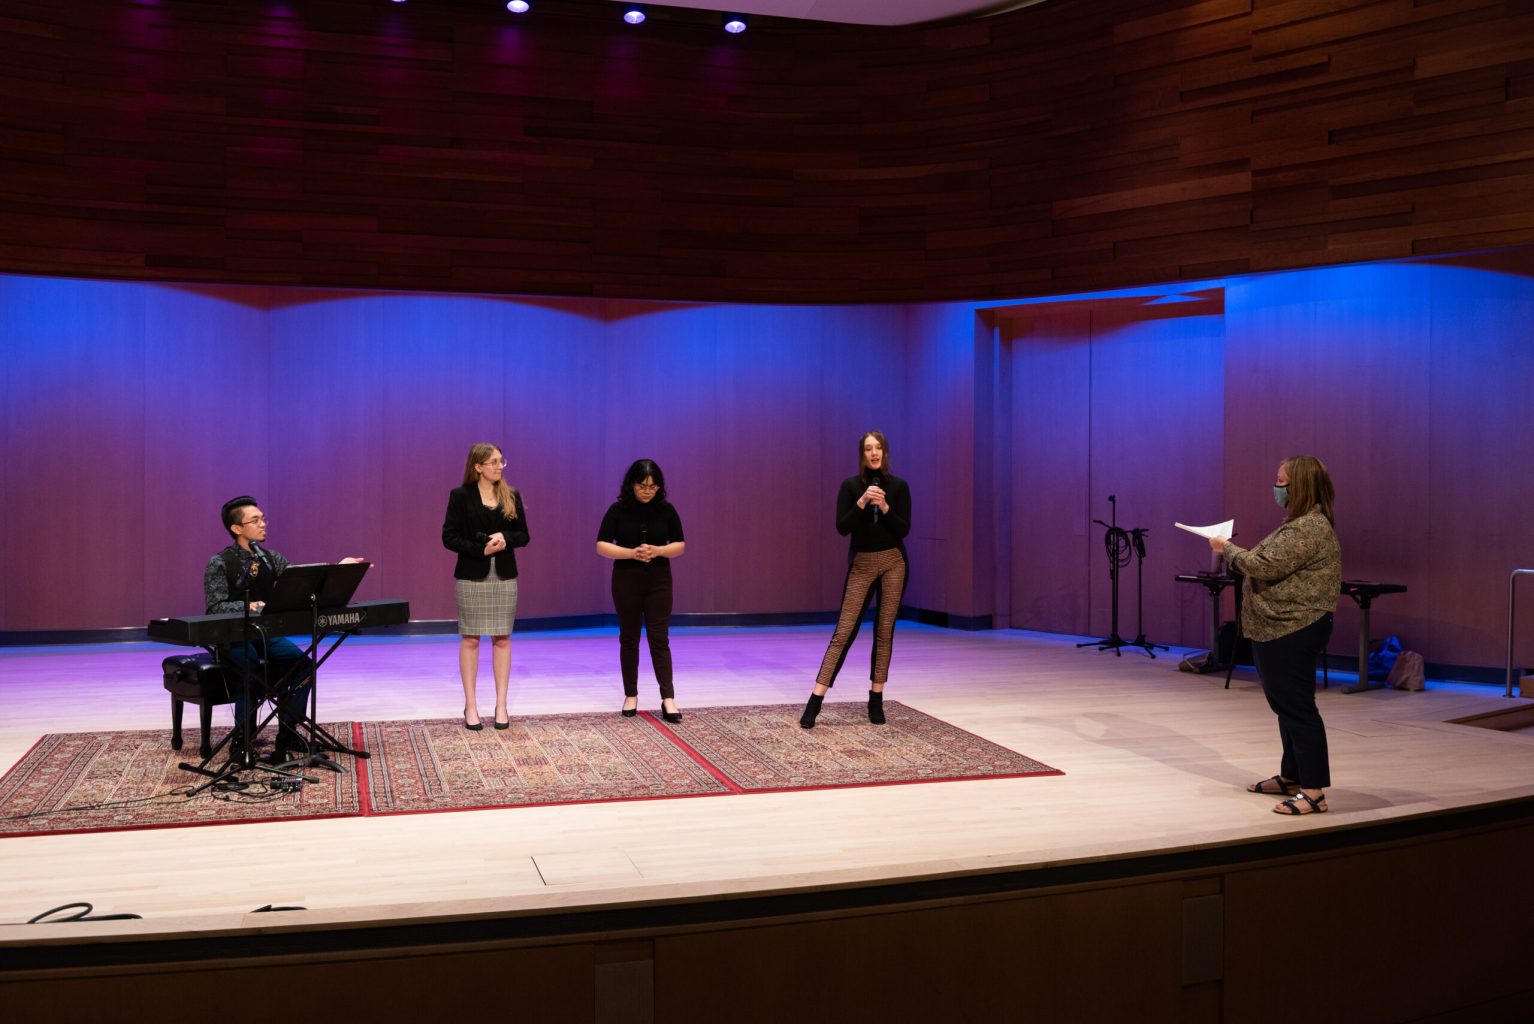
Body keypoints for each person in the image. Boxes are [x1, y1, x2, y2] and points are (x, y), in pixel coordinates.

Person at [1210, 455, 1341, 816]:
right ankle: (1292, 776)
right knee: (1285, 706)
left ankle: (1314, 791)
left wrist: (1227, 549)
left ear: (1299, 487)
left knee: (1298, 709)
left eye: (1281, 482)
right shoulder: (1298, 524)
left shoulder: (1308, 528)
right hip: (1280, 626)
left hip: (1293, 627)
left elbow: (1263, 565)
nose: (1276, 487)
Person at [203, 496, 365, 759]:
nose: (263, 524)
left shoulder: (270, 558)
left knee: (305, 666)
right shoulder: (219, 563)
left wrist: (339, 567)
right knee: (251, 668)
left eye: (263, 519)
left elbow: (302, 581)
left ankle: (288, 731)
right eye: (255, 520)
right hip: (234, 637)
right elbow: (214, 607)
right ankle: (242, 739)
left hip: (266, 634)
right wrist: (246, 606)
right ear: (237, 528)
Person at [800, 431, 911, 729]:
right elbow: (842, 527)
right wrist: (863, 501)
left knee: (884, 631)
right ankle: (815, 700)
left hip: (893, 562)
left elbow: (904, 529)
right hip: (862, 564)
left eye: (878, 448)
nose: (873, 453)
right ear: (861, 454)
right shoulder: (850, 486)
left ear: (885, 452)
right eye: (867, 449)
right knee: (844, 632)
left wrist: (886, 508)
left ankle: (876, 698)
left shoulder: (899, 487)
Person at [442, 443, 529, 730]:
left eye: (501, 461)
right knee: (470, 639)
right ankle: (470, 706)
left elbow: (523, 535)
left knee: (502, 638)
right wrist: (482, 551)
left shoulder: (511, 495)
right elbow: (449, 538)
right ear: (478, 466)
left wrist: (505, 538)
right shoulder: (460, 496)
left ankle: (501, 705)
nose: (499, 466)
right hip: (472, 574)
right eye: (493, 462)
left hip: (504, 576)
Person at [596, 459, 687, 722]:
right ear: (631, 485)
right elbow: (601, 545)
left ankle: (668, 698)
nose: (648, 491)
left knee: (660, 638)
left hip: (659, 580)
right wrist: (631, 553)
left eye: (653, 486)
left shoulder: (666, 510)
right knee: (629, 638)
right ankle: (631, 694)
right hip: (626, 579)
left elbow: (679, 545)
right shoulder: (618, 510)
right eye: (642, 485)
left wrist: (657, 550)